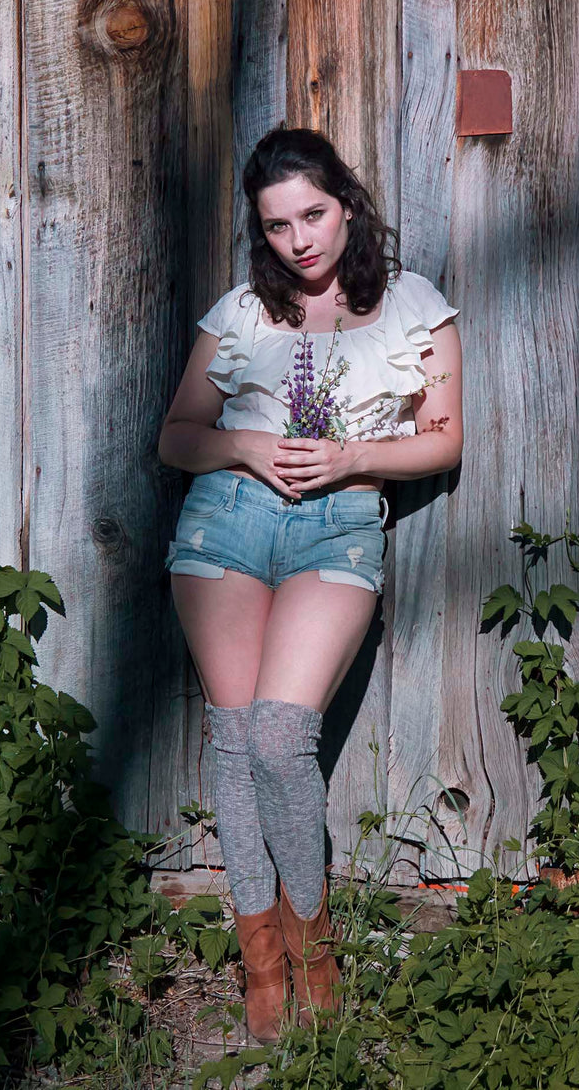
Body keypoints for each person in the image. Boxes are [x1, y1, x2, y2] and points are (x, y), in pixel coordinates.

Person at [157, 126, 464, 1042]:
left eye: (316, 214)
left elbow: (444, 438)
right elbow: (177, 436)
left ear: (348, 204)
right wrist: (249, 444)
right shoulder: (243, 309)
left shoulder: (413, 305)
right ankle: (260, 958)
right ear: (263, 232)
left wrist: (351, 458)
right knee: (237, 733)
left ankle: (313, 945)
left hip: (339, 522)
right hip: (228, 517)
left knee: (283, 735)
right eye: (279, 224)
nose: (301, 240)